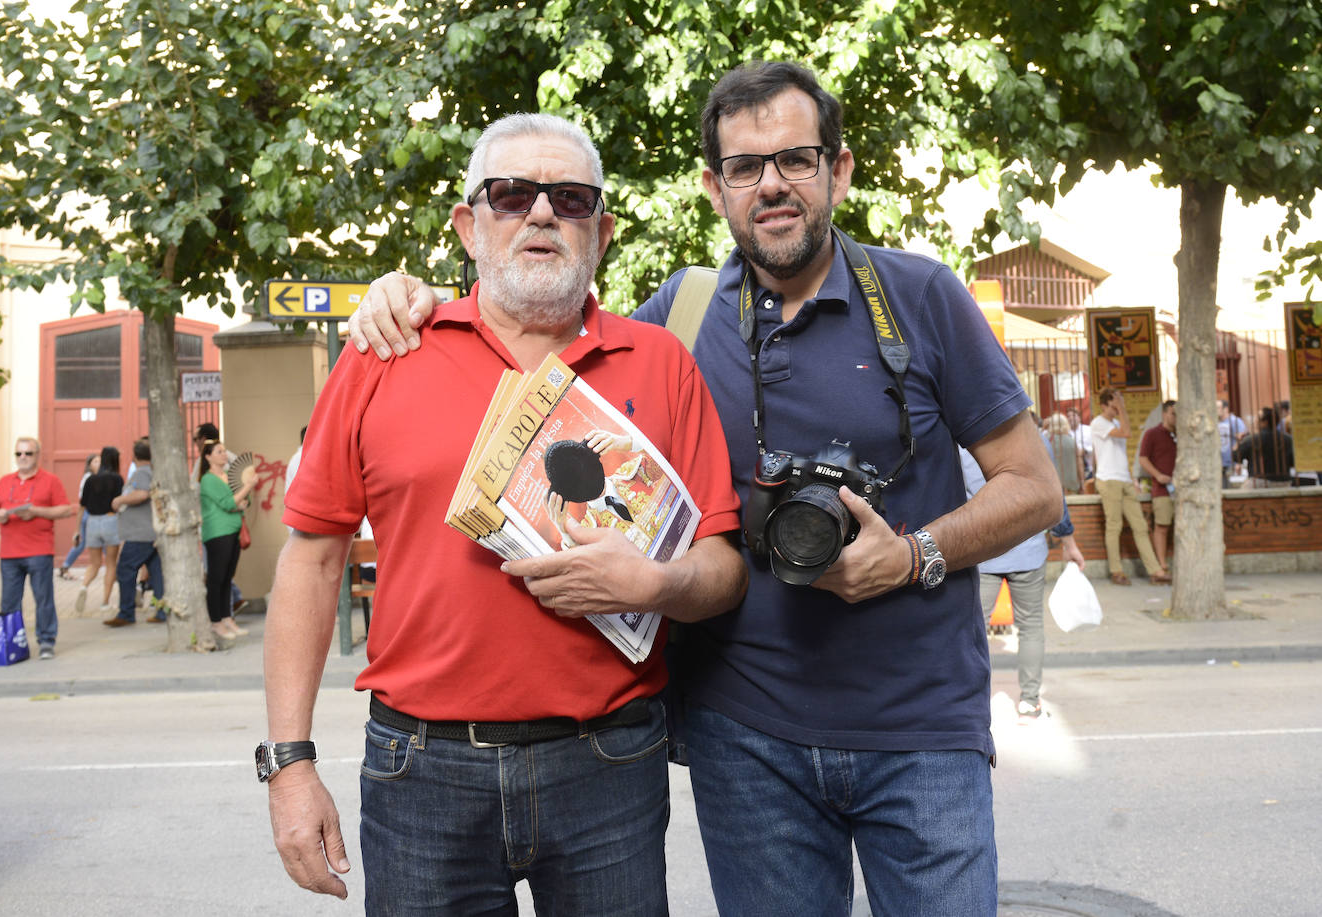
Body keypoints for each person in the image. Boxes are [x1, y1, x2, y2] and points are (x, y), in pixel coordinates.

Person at [348, 63, 1063, 916]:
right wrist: (420, 300)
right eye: (744, 167)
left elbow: (1036, 487)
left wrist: (913, 556)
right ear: (713, 187)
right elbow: (547, 323)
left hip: (920, 730)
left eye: (796, 160)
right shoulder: (678, 319)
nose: (771, 185)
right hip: (743, 738)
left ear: (838, 171)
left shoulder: (922, 297)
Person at [264, 112, 746, 914]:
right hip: (420, 770)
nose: (543, 212)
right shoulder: (386, 349)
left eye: (571, 198)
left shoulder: (660, 362)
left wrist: (656, 584)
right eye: (512, 193)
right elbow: (311, 558)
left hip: (610, 762)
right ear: (468, 225)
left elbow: (724, 566)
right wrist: (288, 764)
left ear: (603, 231)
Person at [960, 441, 1084, 722]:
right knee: (1030, 627)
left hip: (983, 551)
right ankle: (1030, 701)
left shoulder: (964, 444)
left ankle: (972, 703)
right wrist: (1069, 543)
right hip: (1028, 550)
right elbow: (1053, 496)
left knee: (973, 628)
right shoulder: (1035, 438)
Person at [0, 437, 75, 659]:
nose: (23, 458)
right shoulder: (5, 481)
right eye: (19, 454)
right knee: (9, 601)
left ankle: (46, 641)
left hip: (39, 550)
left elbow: (65, 509)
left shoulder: (50, 480)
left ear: (38, 455)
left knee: (43, 598)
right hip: (9, 553)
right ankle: (11, 643)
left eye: (28, 453)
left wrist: (36, 512)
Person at [1090, 387, 1169, 586]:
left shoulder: (1117, 421)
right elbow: (1125, 433)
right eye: (1114, 404)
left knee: (1140, 526)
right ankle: (1116, 571)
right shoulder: (1098, 423)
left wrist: (1131, 478)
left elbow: (1126, 437)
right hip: (1108, 480)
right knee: (1114, 525)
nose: (1117, 408)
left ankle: (1155, 570)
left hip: (1124, 478)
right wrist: (1122, 407)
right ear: (1104, 405)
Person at [105, 437, 165, 626]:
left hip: (140, 534)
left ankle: (126, 612)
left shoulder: (141, 473)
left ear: (135, 456)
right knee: (157, 573)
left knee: (125, 569)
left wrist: (119, 500)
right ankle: (163, 611)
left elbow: (142, 494)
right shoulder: (155, 471)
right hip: (152, 532)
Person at [198, 440, 252, 640]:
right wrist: (247, 487)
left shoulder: (228, 476)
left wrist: (243, 496)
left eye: (223, 451)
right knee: (216, 578)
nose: (223, 454)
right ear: (208, 456)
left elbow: (243, 501)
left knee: (227, 577)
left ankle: (227, 617)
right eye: (219, 452)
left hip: (233, 530)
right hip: (218, 532)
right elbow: (229, 502)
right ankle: (216, 621)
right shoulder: (208, 479)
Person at [75, 446, 125, 615]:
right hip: (111, 520)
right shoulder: (117, 479)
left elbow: (82, 507)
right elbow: (120, 503)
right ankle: (104, 602)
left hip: (92, 522)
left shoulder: (90, 480)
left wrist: (77, 530)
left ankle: (83, 587)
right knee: (110, 563)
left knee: (94, 563)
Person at [1138, 400, 1177, 571]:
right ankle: (1161, 564)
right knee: (1161, 527)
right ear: (1164, 413)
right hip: (1162, 490)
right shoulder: (1152, 434)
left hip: (1184, 490)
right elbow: (1143, 458)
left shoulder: (1184, 434)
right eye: (1173, 414)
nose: (1176, 418)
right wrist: (1158, 475)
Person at [59, 452, 98, 578]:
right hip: (89, 513)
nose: (99, 464)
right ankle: (65, 566)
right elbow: (84, 499)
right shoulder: (89, 478)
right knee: (90, 542)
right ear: (89, 464)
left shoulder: (94, 477)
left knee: (91, 542)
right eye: (96, 462)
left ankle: (65, 565)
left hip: (90, 513)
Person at [1234, 406, 1295, 487]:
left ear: (1265, 422)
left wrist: (1238, 441)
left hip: (1259, 482)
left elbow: (1236, 456)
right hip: (1284, 482)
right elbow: (1293, 462)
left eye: (1257, 419)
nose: (1255, 421)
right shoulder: (1288, 439)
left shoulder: (1252, 439)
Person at [1046, 411, 1083, 494]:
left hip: (1052, 487)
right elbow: (1079, 464)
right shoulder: (1072, 441)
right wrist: (1082, 483)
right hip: (1071, 486)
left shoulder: (1046, 440)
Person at [1217, 398, 1247, 486]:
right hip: (1218, 463)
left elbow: (1242, 440)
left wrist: (1238, 462)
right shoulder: (1215, 422)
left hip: (1232, 463)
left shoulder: (1235, 421)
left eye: (1218, 408)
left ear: (1225, 409)